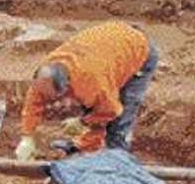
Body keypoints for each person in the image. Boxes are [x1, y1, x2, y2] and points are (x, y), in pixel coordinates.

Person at [15, 21, 159, 160]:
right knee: (90, 103)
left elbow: (112, 111)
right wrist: (26, 137)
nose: (55, 103)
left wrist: (83, 122)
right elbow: (33, 105)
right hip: (109, 44)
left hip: (138, 49)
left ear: (67, 87)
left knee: (121, 116)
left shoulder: (92, 82)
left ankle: (117, 159)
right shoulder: (45, 76)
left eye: (57, 98)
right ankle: (86, 146)